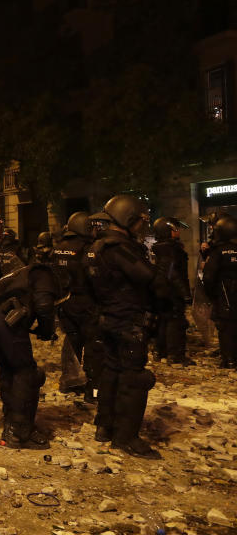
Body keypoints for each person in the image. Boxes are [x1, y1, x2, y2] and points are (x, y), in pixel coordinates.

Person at [84, 195, 168, 459]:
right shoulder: (121, 248)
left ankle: (105, 427)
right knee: (134, 377)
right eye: (139, 221)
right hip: (128, 320)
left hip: (108, 318)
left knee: (111, 371)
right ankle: (126, 437)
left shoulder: (97, 247)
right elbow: (150, 279)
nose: (142, 227)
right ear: (127, 219)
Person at [0, 263, 58, 449]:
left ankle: (11, 423)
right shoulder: (44, 273)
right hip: (5, 320)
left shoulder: (22, 272)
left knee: (10, 369)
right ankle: (19, 432)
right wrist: (46, 330)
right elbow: (44, 305)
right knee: (26, 373)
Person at [52, 212, 102, 402]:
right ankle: (93, 390)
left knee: (71, 343)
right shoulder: (89, 248)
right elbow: (94, 277)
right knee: (93, 345)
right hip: (86, 302)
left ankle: (69, 381)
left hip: (64, 303)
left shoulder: (58, 248)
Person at [151, 217, 193, 364]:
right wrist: (185, 293)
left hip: (162, 291)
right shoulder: (171, 249)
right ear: (168, 230)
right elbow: (173, 272)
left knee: (164, 320)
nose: (179, 231)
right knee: (176, 321)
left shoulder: (160, 248)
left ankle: (160, 351)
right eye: (175, 228)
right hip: (172, 292)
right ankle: (176, 355)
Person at [201, 214, 237, 369]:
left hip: (224, 294)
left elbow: (208, 277)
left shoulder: (217, 252)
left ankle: (229, 359)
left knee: (226, 327)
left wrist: (211, 295)